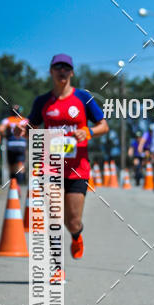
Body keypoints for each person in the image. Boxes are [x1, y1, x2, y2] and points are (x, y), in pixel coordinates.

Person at [14, 54, 108, 260]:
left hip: (78, 168)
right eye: (58, 67)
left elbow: (104, 125)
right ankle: (56, 267)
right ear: (51, 71)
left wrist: (89, 132)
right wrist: (22, 130)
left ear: (72, 72)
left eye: (66, 68)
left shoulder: (83, 98)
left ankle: (76, 236)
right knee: (54, 217)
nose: (62, 71)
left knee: (73, 221)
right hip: (51, 166)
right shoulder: (42, 102)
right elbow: (32, 126)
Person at [0, 105, 28, 185]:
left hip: (11, 144)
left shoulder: (7, 120)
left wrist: (5, 136)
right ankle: (20, 184)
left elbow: (1, 129)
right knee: (20, 165)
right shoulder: (25, 120)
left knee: (11, 165)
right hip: (21, 145)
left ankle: (13, 184)